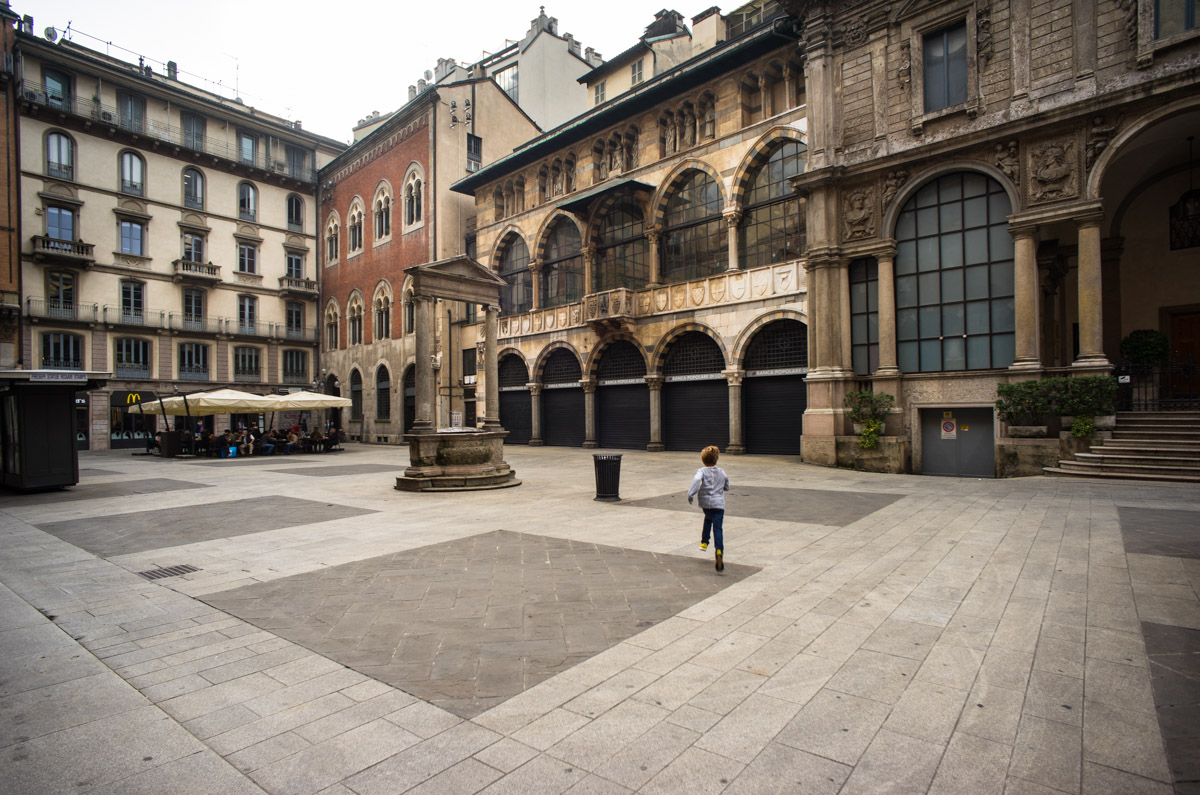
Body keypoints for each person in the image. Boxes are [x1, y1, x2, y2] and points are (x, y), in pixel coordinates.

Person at [687, 445, 731, 572]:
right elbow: (727, 485)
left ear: (703, 460)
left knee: (707, 519)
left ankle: (704, 542)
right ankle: (718, 550)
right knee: (718, 528)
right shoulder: (721, 472)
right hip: (718, 504)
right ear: (716, 459)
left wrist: (690, 494)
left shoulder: (701, 471)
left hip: (706, 504)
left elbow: (696, 481)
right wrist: (723, 487)